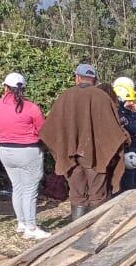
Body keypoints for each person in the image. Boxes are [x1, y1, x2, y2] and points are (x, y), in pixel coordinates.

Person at [40, 63, 128, 221]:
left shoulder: (65, 96)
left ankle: (77, 232)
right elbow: (114, 130)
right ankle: (96, 233)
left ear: (77, 78)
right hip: (97, 157)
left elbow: (49, 129)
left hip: (70, 155)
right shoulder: (103, 97)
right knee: (98, 196)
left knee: (77, 194)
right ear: (94, 80)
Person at [0, 72, 48, 239]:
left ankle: (21, 223)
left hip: (6, 150)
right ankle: (31, 228)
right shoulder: (31, 107)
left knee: (17, 187)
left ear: (5, 87)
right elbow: (41, 130)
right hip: (28, 150)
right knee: (30, 189)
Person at [113, 77, 136, 191]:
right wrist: (135, 116)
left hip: (135, 153)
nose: (132, 102)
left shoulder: (130, 112)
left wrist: (135, 114)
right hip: (125, 155)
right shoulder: (118, 113)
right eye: (130, 100)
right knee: (127, 188)